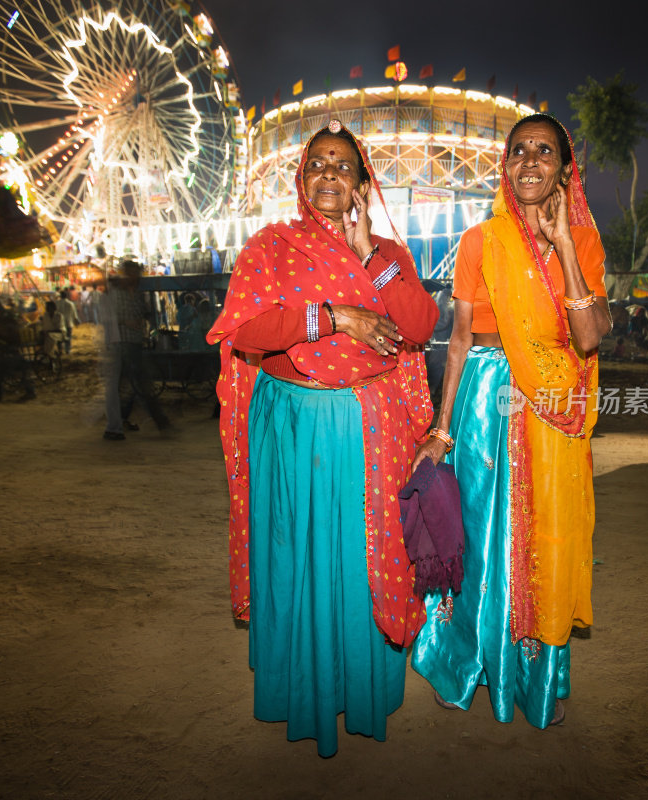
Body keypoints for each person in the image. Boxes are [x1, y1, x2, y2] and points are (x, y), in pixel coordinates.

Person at [207, 120, 438, 757]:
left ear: (363, 182)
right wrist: (333, 318)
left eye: (343, 165)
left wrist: (368, 257)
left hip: (371, 431)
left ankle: (362, 689)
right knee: (302, 553)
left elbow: (419, 324)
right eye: (318, 165)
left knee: (365, 557)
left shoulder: (387, 254)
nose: (329, 174)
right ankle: (304, 690)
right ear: (302, 180)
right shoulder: (272, 246)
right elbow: (247, 333)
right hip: (295, 427)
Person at [410, 114, 612, 729]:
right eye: (519, 150)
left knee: (544, 537)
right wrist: (443, 428)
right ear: (506, 164)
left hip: (556, 407)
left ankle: (533, 675)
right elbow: (460, 339)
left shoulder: (589, 241)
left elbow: (588, 337)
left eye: (544, 151)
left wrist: (566, 249)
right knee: (482, 532)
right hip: (485, 398)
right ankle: (465, 661)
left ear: (564, 168)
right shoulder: (480, 241)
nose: (530, 160)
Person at [101, 261, 170, 440]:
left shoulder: (137, 294)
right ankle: (159, 421)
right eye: (132, 274)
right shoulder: (116, 293)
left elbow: (144, 312)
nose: (135, 278)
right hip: (120, 343)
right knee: (138, 383)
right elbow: (110, 317)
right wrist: (127, 322)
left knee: (128, 385)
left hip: (134, 342)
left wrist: (149, 325)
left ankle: (119, 422)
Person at [57, 289, 79, 354]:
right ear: (66, 296)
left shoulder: (57, 303)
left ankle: (60, 349)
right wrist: (76, 321)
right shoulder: (70, 303)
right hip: (68, 323)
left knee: (59, 337)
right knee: (68, 337)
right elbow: (75, 314)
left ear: (60, 296)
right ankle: (67, 350)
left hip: (59, 323)